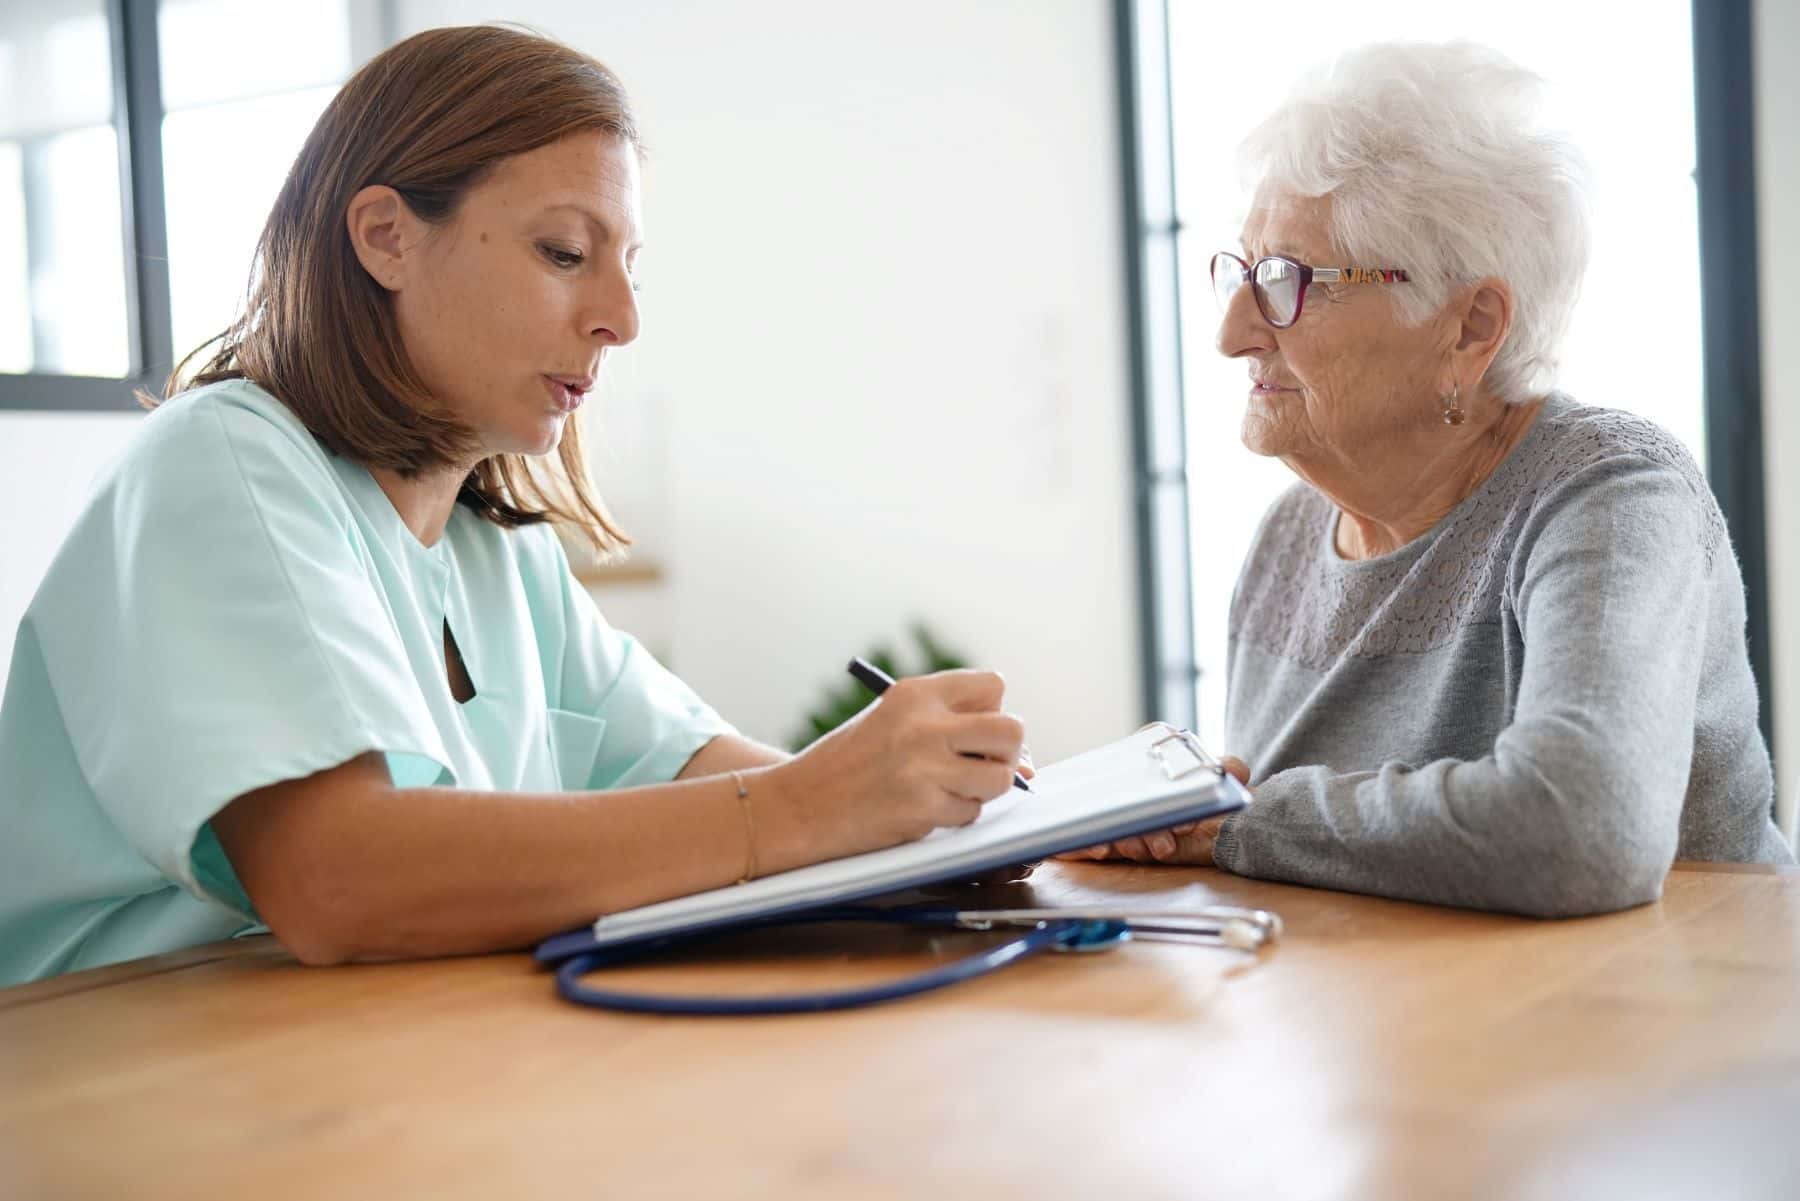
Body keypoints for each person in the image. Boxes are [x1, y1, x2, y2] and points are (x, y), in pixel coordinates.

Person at [0, 25, 1028, 985]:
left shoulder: (496, 554)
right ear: (386, 238)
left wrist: (985, 815)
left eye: (628, 271)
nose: (619, 321)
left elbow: (711, 773)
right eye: (565, 254)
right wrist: (814, 805)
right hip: (122, 1071)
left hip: (355, 1064)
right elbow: (335, 880)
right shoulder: (218, 462)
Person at [1062, 41, 1794, 914]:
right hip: (1410, 1026)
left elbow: (1582, 830)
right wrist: (1188, 799)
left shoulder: (1610, 493)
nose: (1232, 332)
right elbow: (1309, 858)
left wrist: (1233, 821)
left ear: (1469, 325)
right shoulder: (1287, 541)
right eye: (1245, 271)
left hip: (1654, 1022)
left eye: (1288, 280)